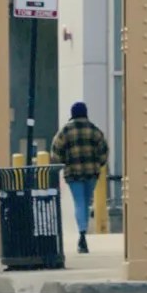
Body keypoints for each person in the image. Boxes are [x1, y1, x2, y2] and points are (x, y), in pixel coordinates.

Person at [50, 101, 109, 255]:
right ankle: (83, 232)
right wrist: (99, 164)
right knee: (87, 200)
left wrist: (63, 163)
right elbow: (104, 150)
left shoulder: (65, 131)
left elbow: (55, 152)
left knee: (79, 202)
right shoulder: (94, 130)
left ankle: (82, 234)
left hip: (73, 173)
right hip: (91, 173)